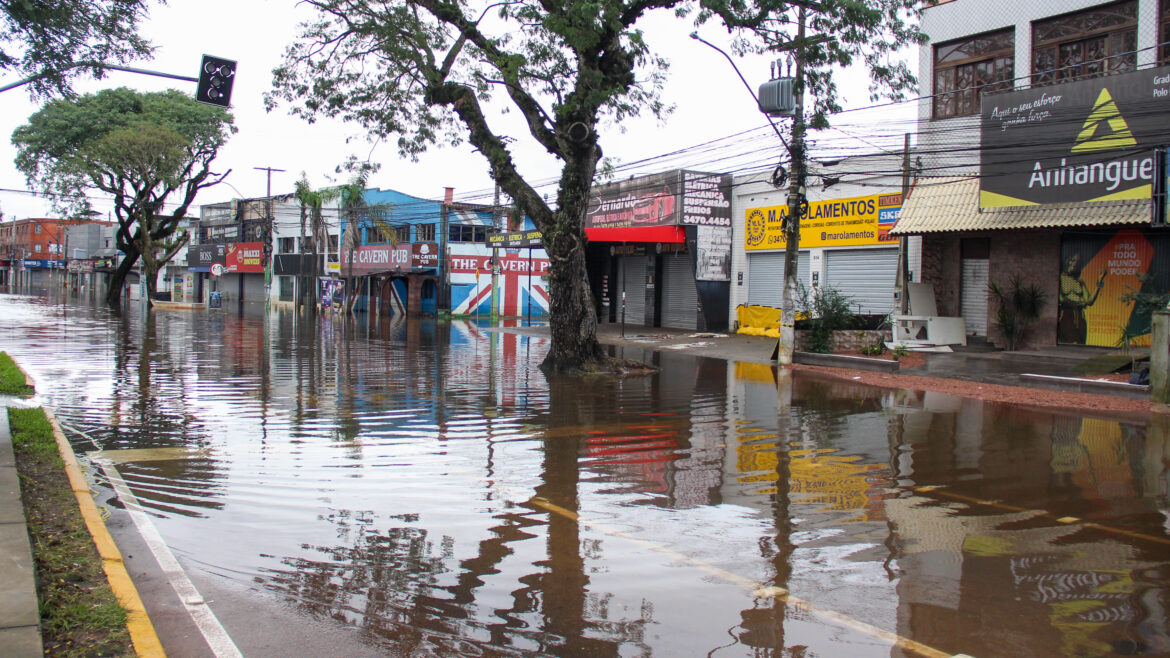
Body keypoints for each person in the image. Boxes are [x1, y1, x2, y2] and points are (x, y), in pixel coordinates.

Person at [1058, 252, 1106, 344]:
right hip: (1067, 315)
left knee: (1081, 343)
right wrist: (1080, 302)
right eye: (1073, 260)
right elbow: (1061, 299)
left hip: (1080, 317)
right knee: (1067, 343)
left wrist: (1100, 281)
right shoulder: (1060, 278)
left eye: (1078, 262)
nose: (1075, 263)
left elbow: (1089, 301)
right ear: (1067, 261)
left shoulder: (1080, 282)